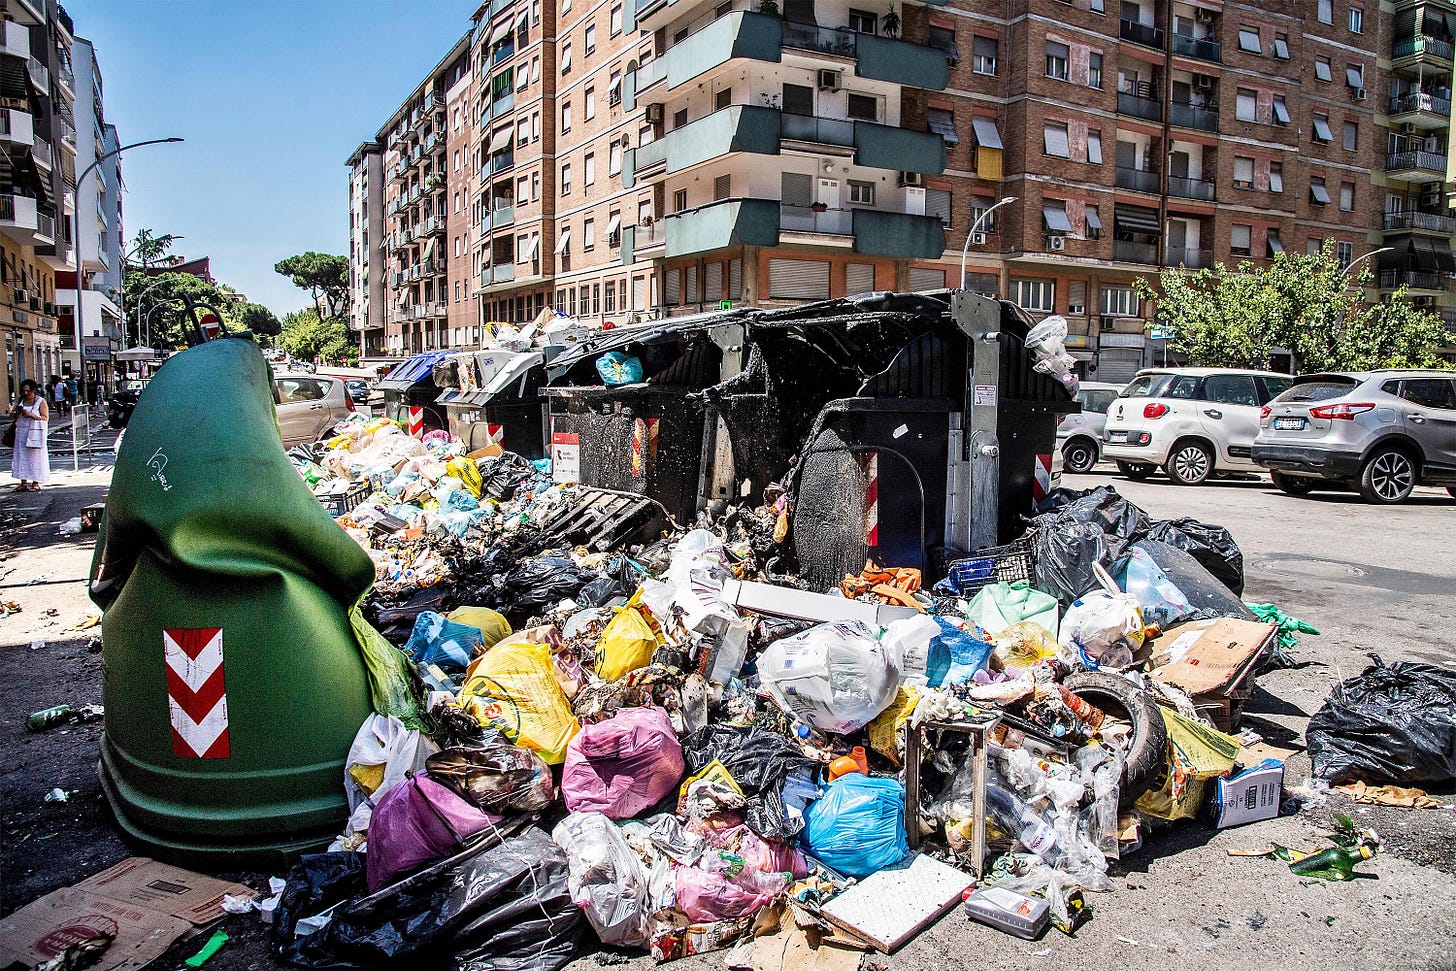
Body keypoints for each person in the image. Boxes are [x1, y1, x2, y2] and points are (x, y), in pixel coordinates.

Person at [10, 379, 50, 491]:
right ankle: (23, 482)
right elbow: (11, 414)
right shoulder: (20, 400)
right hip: (21, 431)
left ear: (34, 390)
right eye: (23, 391)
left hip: (34, 432)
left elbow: (45, 418)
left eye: (28, 391)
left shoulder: (40, 401)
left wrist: (31, 415)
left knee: (35, 457)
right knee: (21, 456)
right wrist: (16, 412)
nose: (26, 394)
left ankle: (35, 482)